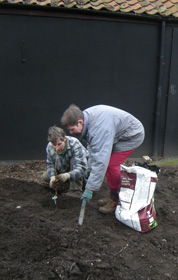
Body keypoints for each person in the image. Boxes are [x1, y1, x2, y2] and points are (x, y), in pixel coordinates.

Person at [61, 104, 145, 213]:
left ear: (80, 122)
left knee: (110, 165)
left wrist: (90, 189)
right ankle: (113, 194)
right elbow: (93, 147)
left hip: (132, 135)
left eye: (72, 129)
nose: (71, 133)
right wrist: (90, 168)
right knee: (104, 161)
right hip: (117, 134)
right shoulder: (86, 118)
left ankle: (116, 198)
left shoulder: (99, 128)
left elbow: (101, 160)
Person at [41, 126, 88, 198]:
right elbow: (50, 164)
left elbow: (82, 168)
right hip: (63, 170)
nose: (57, 148)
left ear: (65, 139)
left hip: (81, 174)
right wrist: (52, 177)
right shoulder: (49, 147)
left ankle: (76, 190)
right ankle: (65, 187)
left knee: (73, 160)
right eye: (54, 145)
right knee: (45, 176)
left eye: (59, 144)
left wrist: (67, 175)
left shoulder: (74, 144)